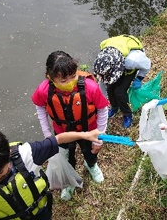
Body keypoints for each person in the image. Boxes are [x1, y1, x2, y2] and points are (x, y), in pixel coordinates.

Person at [0, 130, 103, 220]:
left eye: (0, 173)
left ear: (8, 155)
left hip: (40, 212)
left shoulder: (25, 155)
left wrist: (85, 135)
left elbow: (58, 139)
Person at [31, 51, 109, 201]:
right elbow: (40, 108)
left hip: (89, 131)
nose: (69, 82)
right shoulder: (44, 90)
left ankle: (91, 166)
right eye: (63, 80)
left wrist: (99, 137)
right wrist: (48, 135)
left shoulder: (90, 87)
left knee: (91, 153)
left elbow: (102, 109)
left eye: (73, 76)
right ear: (50, 77)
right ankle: (69, 181)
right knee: (67, 159)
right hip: (62, 134)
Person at [93, 34, 151, 128]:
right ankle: (114, 107)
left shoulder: (132, 61)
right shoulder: (103, 61)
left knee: (119, 92)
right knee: (110, 88)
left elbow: (146, 65)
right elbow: (102, 88)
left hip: (128, 62)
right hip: (116, 59)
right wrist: (100, 108)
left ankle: (127, 114)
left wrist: (139, 78)